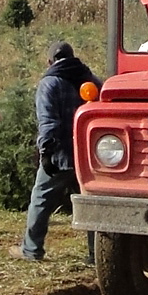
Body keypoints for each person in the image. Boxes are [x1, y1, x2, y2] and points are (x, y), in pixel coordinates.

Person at [11, 41, 102, 263]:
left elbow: (48, 122)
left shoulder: (49, 83)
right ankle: (96, 256)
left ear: (50, 61)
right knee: (91, 205)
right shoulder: (91, 79)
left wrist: (45, 153)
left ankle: (32, 250)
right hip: (89, 156)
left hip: (61, 154)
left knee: (41, 199)